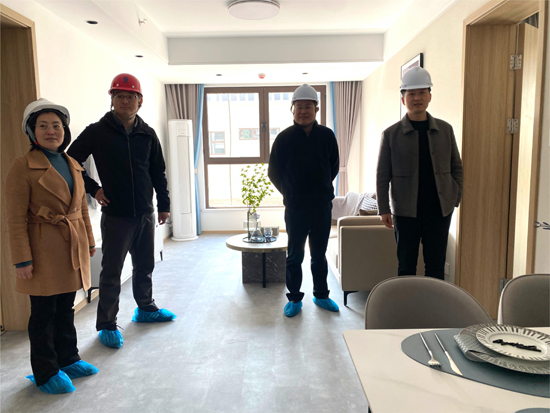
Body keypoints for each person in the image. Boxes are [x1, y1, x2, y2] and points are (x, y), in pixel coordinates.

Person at [67, 73, 175, 349]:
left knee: (145, 265)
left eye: (130, 96)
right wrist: (93, 188)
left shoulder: (147, 133)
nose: (125, 101)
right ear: (112, 99)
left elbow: (158, 171)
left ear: (140, 101)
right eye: (120, 96)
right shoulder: (97, 131)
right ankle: (106, 324)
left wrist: (164, 205)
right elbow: (71, 161)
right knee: (112, 271)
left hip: (145, 212)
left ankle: (146, 308)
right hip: (116, 215)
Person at [5, 98, 99, 394]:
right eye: (43, 126)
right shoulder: (22, 167)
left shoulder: (72, 164)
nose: (51, 131)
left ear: (64, 130)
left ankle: (68, 359)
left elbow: (81, 209)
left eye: (56, 125)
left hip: (71, 246)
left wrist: (89, 241)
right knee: (43, 313)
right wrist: (22, 259)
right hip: (42, 248)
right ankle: (46, 372)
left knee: (66, 308)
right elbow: (15, 218)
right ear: (32, 132)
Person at [376, 67, 463, 279]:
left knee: (436, 266)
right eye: (411, 94)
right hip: (405, 212)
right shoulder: (391, 134)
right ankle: (408, 301)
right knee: (406, 266)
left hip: (440, 211)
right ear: (403, 99)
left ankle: (433, 301)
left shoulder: (445, 130)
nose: (417, 98)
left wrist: (455, 198)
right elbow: (382, 175)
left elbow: (457, 167)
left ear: (429, 96)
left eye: (422, 92)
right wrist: (384, 208)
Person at [268, 84, 340, 317]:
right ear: (293, 109)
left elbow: (333, 166)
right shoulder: (284, 138)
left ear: (316, 109)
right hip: (296, 207)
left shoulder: (327, 136)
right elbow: (273, 172)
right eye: (299, 107)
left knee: (319, 254)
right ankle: (294, 298)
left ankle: (321, 295)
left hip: (321, 206)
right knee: (295, 255)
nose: (303, 111)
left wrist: (321, 188)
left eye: (308, 106)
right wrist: (289, 193)